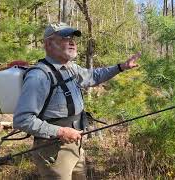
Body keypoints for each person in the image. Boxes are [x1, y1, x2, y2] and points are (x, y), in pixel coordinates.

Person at [13, 22, 141, 180]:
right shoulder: (39, 76)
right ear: (48, 44)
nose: (72, 41)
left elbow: (94, 76)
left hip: (76, 145)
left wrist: (121, 67)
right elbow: (22, 120)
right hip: (53, 150)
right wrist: (61, 131)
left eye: (73, 38)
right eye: (65, 37)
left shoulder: (71, 68)